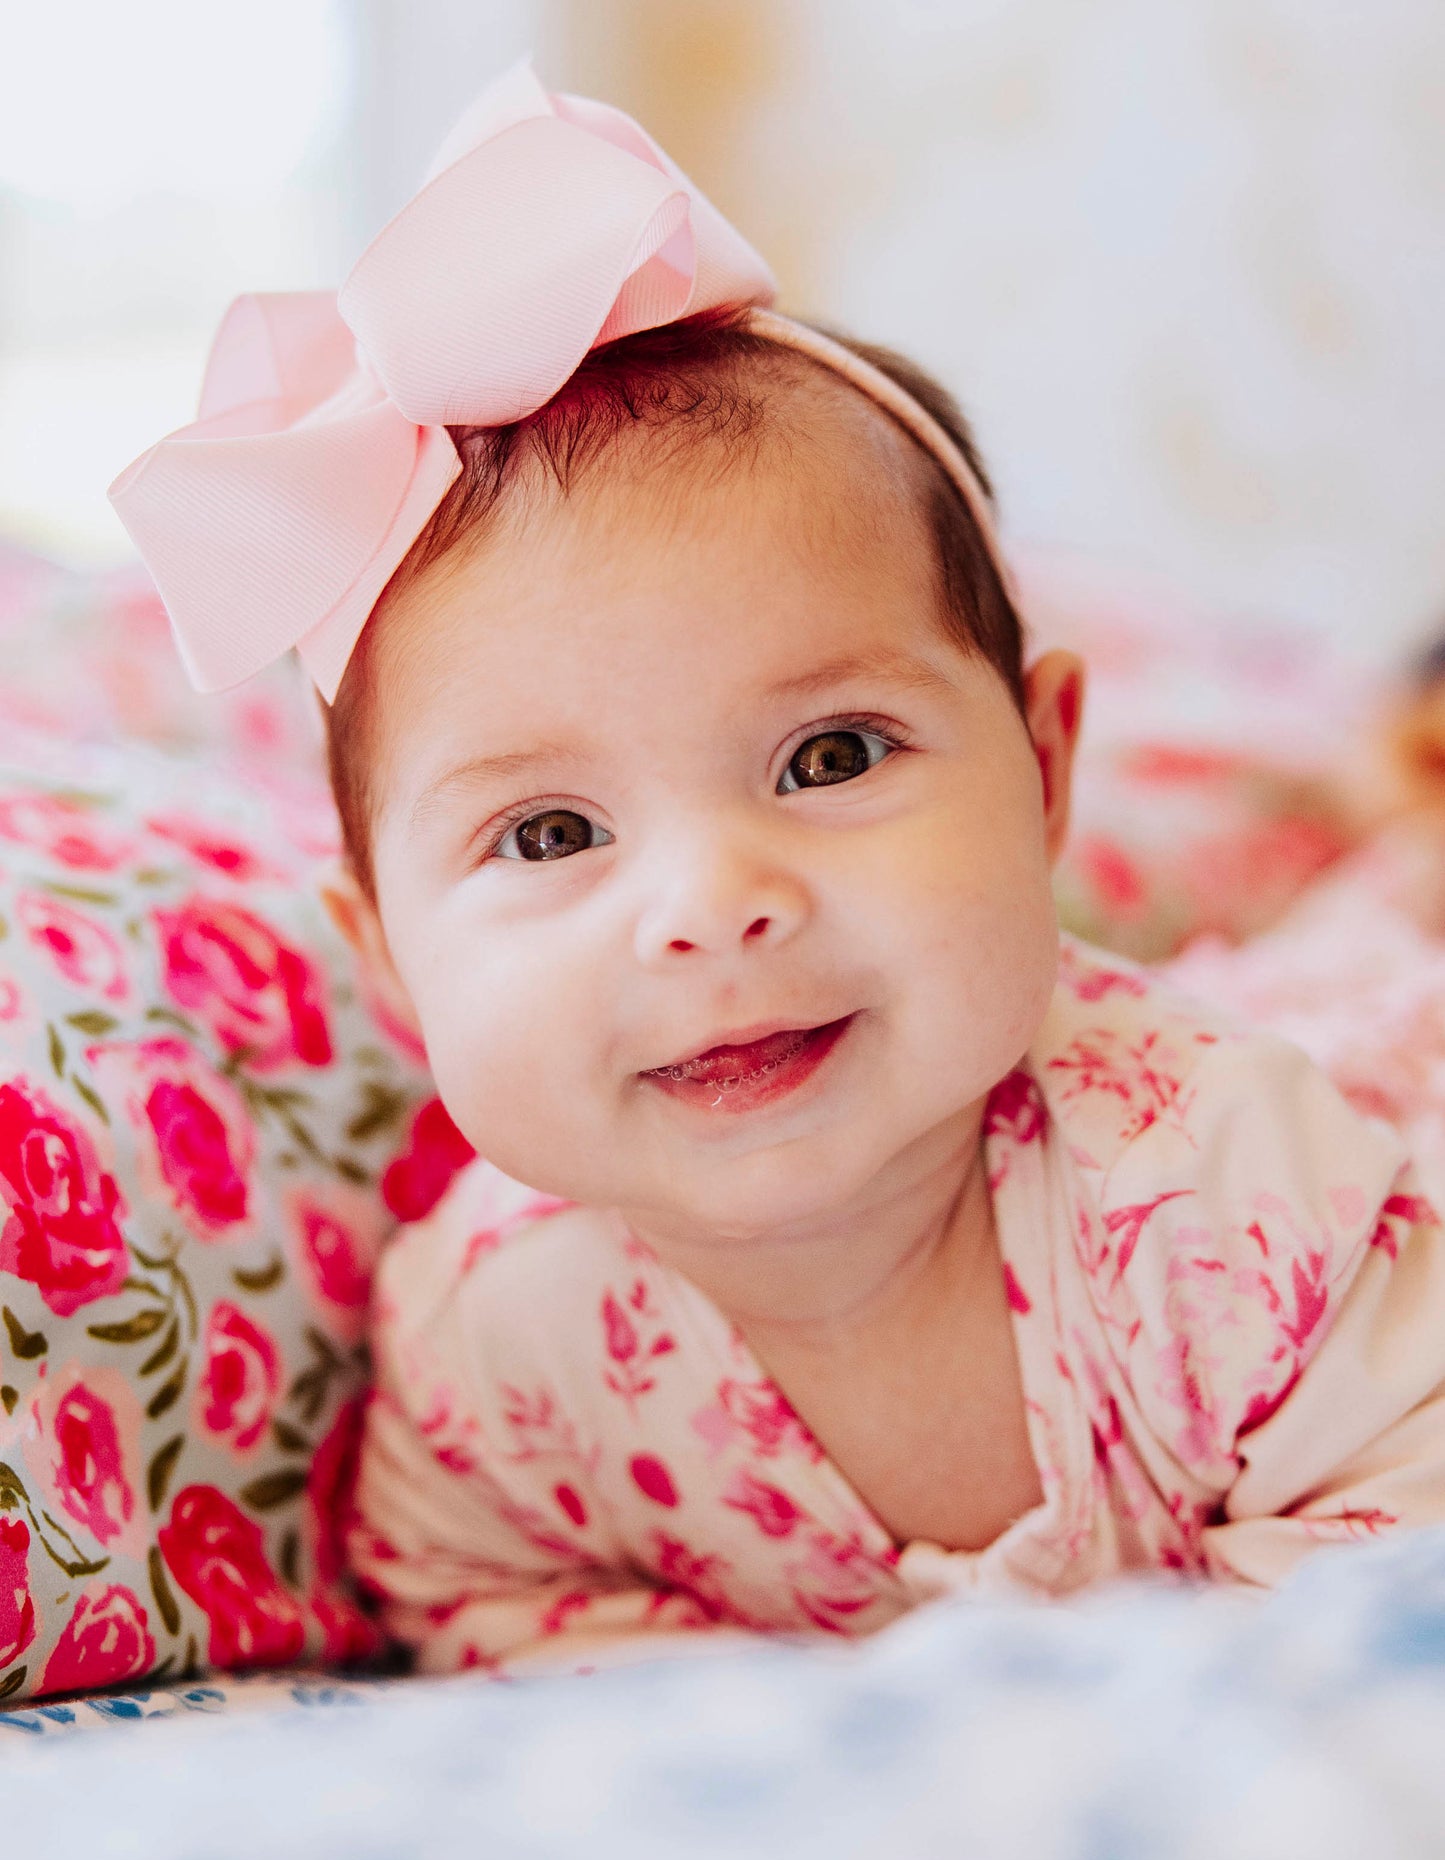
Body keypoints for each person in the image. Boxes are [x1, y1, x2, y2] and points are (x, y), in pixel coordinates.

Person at [111, 65, 1445, 1676]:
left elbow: (1397, 1554)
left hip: (1363, 1048)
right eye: (549, 835)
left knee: (1381, 945)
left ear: (1039, 772)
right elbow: (489, 1604)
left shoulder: (1229, 1181)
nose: (710, 905)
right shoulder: (499, 1341)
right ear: (388, 952)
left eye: (828, 757)